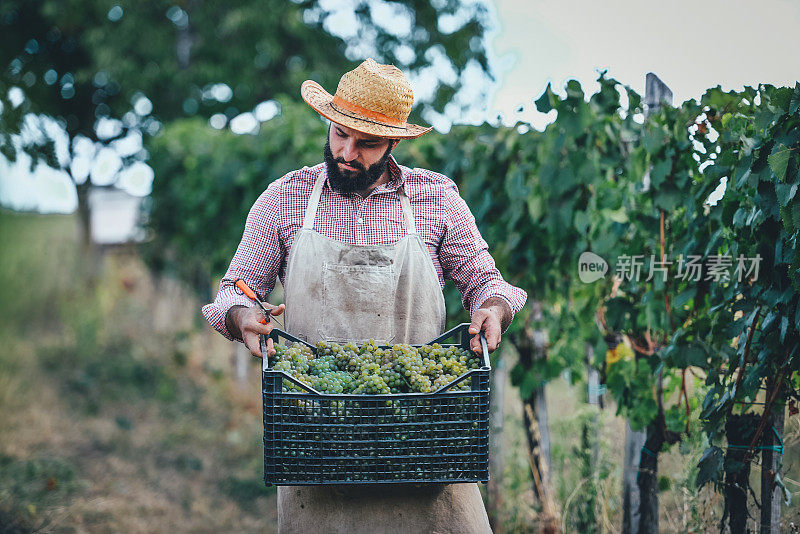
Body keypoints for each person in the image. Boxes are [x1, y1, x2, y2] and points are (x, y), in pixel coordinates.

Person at [203, 58, 526, 534]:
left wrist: (493, 309)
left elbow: (486, 283)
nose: (347, 152)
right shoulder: (286, 198)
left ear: (393, 142)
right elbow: (236, 291)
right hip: (319, 444)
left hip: (420, 441)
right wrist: (241, 315)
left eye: (367, 142)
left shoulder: (436, 197)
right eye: (338, 134)